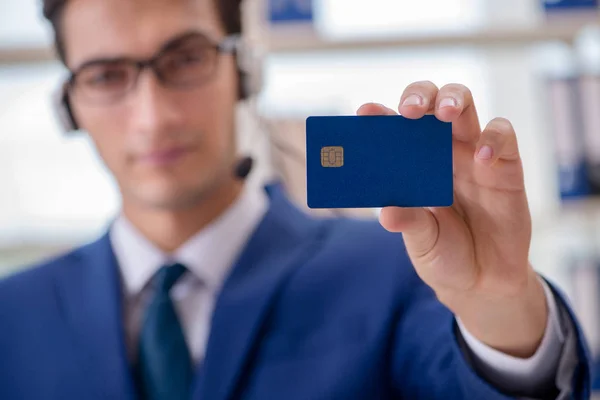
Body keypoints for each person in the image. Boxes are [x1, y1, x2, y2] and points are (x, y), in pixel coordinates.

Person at [0, 0, 592, 399]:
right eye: (106, 76)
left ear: (244, 73)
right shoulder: (12, 317)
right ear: (69, 106)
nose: (153, 117)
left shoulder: (399, 269)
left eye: (185, 59)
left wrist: (500, 305)